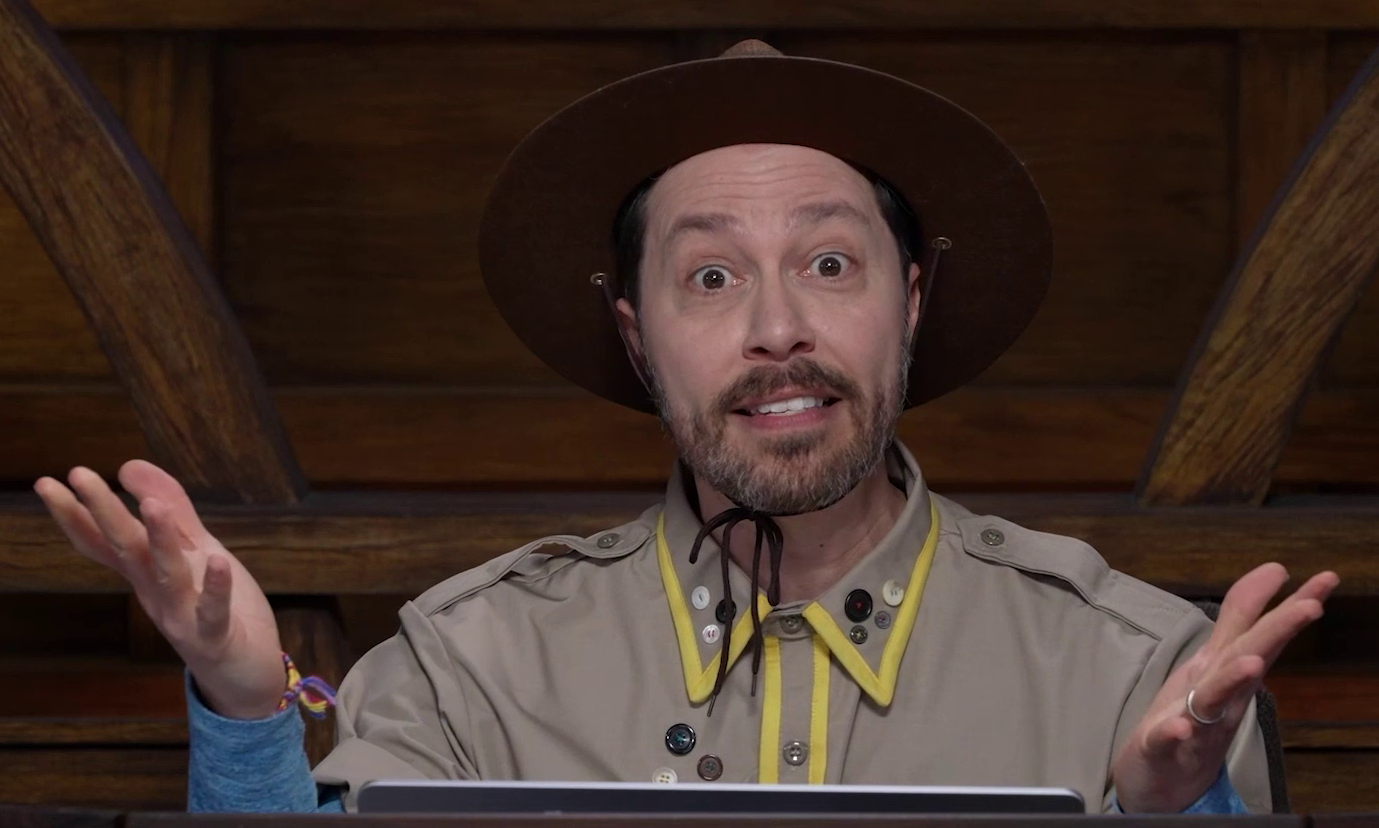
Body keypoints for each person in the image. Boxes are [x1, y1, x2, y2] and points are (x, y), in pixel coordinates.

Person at [34, 40, 1337, 815]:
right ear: (631, 330)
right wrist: (247, 707)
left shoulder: (1136, 665)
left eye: (830, 264)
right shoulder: (466, 667)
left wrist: (1179, 816)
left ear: (913, 299)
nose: (776, 327)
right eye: (708, 276)